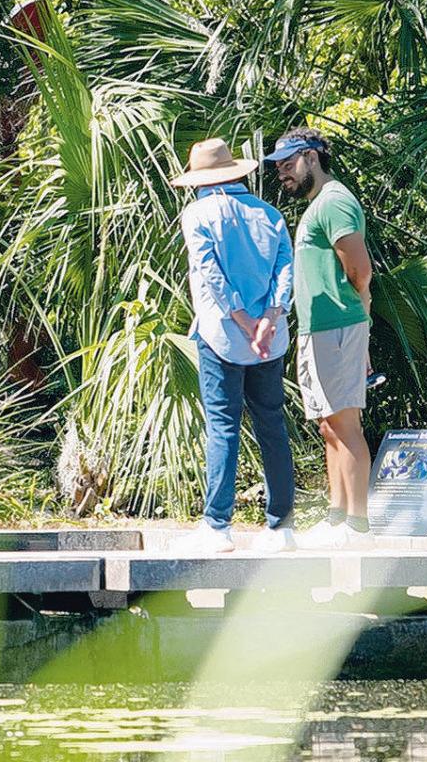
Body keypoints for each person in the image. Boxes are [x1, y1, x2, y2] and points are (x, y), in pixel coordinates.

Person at [168, 137, 298, 554]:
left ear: (199, 180)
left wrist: (243, 321)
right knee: (272, 425)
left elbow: (210, 273)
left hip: (222, 334)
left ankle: (217, 526)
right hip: (270, 340)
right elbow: (285, 270)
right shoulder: (270, 214)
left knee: (223, 426)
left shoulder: (197, 213)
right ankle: (282, 527)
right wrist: (269, 320)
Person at [265, 128, 374, 548]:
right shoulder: (318, 204)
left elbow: (360, 271)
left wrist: (359, 318)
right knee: (329, 426)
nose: (283, 174)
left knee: (345, 424)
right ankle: (336, 518)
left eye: (288, 164)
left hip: (338, 326)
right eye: (278, 167)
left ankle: (357, 527)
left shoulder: (335, 201)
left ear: (311, 157)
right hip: (319, 330)